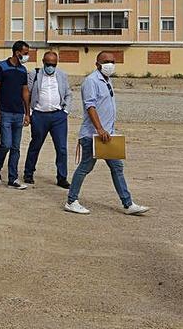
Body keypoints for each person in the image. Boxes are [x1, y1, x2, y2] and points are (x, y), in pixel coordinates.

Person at [64, 51, 150, 215]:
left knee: (117, 167)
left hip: (108, 135)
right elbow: (91, 107)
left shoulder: (107, 81)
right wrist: (100, 128)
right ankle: (71, 201)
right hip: (93, 135)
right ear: (97, 64)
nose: (110, 64)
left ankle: (128, 204)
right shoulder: (91, 81)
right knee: (85, 167)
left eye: (112, 61)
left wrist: (108, 129)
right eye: (106, 61)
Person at [22, 50, 72, 187]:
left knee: (61, 148)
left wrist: (65, 110)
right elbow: (28, 93)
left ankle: (62, 177)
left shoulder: (62, 75)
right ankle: (28, 173)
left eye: (53, 64)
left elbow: (68, 93)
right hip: (39, 115)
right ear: (43, 62)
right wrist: (29, 112)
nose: (51, 67)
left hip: (58, 116)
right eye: (48, 64)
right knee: (35, 145)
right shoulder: (35, 74)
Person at [0, 41, 32, 189]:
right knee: (6, 144)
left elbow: (25, 91)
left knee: (16, 147)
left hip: (18, 113)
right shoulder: (2, 66)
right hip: (5, 112)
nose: (27, 56)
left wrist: (27, 113)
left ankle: (13, 178)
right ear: (17, 52)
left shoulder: (23, 70)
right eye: (25, 53)